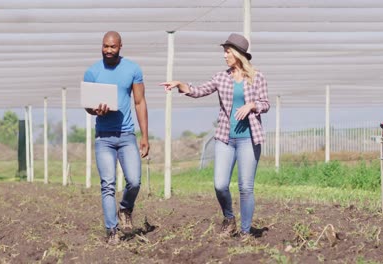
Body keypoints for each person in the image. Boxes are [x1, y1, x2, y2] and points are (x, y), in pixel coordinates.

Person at [160, 33, 269, 237]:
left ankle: (245, 232)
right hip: (225, 138)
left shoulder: (257, 77)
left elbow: (266, 104)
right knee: (220, 185)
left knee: (246, 187)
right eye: (224, 52)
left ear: (238, 54)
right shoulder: (221, 77)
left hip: (249, 139)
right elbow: (199, 90)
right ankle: (229, 218)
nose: (224, 56)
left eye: (227, 52)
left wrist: (252, 105)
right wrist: (180, 85)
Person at [83, 31, 149, 244]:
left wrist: (145, 136)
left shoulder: (132, 69)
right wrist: (96, 111)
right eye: (105, 46)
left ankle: (125, 208)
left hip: (127, 135)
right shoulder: (92, 72)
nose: (108, 50)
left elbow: (139, 102)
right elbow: (88, 106)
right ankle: (112, 231)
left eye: (112, 47)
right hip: (104, 138)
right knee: (107, 184)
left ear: (120, 46)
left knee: (134, 181)